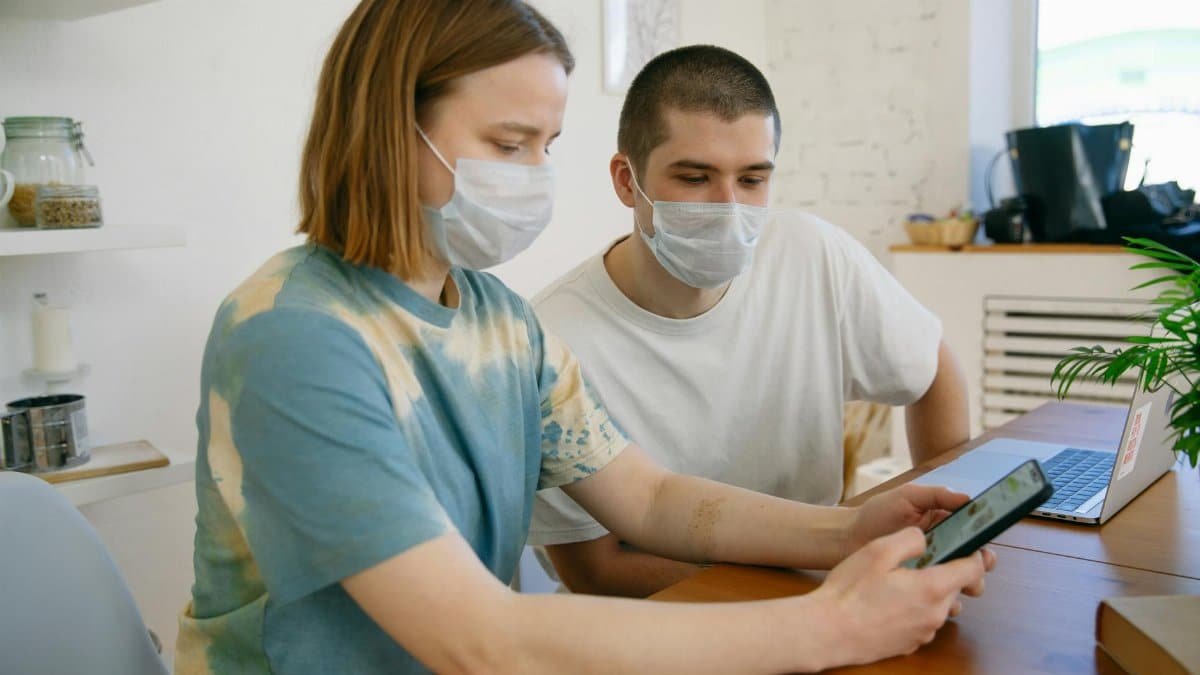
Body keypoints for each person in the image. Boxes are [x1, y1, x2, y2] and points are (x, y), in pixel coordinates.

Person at [175, 2, 992, 673]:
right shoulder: (295, 337)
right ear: (391, 127)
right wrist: (830, 624)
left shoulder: (500, 320)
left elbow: (650, 498)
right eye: (508, 144)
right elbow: (479, 639)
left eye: (546, 147)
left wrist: (850, 529)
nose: (533, 174)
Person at [528, 45, 971, 597]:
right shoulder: (553, 339)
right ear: (626, 180)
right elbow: (598, 568)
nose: (728, 207)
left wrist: (943, 533)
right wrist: (811, 590)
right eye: (695, 178)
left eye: (753, 180)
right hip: (665, 616)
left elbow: (933, 369)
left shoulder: (810, 254)